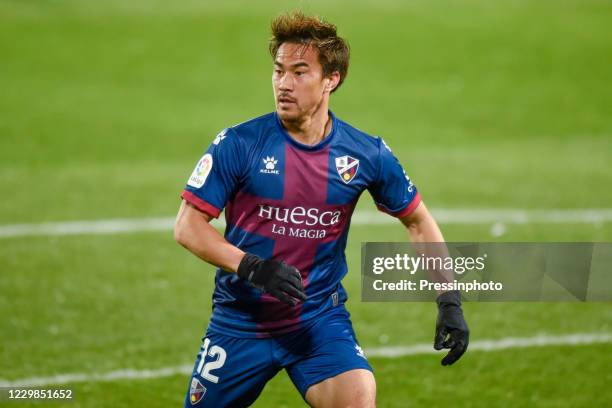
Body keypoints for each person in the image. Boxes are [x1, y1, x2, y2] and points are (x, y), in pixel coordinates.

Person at [174, 11, 469, 408]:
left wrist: (448, 299)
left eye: (299, 72)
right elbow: (188, 227)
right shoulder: (239, 143)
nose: (283, 84)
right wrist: (253, 267)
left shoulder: (366, 155)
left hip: (316, 321)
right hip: (240, 322)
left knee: (358, 398)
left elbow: (417, 220)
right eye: (278, 71)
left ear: (332, 79)